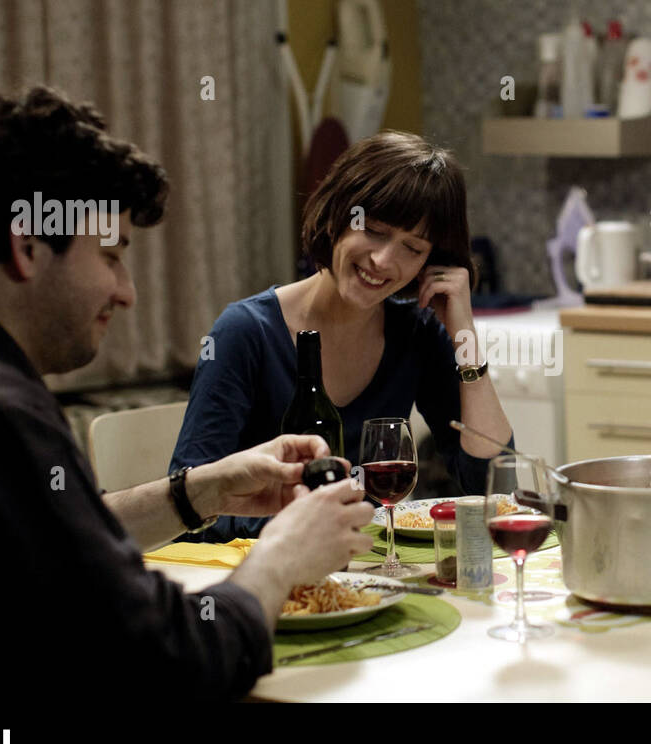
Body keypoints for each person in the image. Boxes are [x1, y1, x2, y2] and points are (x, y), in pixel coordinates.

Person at [0, 86, 374, 702]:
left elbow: (54, 543)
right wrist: (282, 558)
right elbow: (168, 660)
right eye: (109, 255)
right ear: (27, 247)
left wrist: (200, 491)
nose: (126, 292)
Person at [171, 131, 513, 542]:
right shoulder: (245, 332)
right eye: (375, 230)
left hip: (365, 566)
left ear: (430, 261)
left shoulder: (416, 332)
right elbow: (188, 511)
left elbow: (494, 486)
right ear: (337, 215)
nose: (383, 260)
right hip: (263, 568)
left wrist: (464, 334)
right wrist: (301, 527)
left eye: (412, 248)